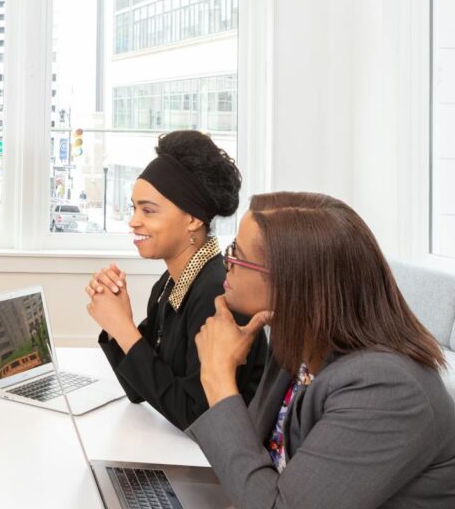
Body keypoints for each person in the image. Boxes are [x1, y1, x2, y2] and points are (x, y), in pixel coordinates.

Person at [192, 192, 455, 507]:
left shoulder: (388, 390)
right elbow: (251, 468)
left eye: (237, 254)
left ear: (291, 282)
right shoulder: (293, 343)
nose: (227, 264)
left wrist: (217, 377)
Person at [85, 131, 267, 430]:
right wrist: (115, 322)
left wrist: (123, 327)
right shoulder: (170, 284)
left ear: (193, 218)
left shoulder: (216, 294)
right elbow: (139, 389)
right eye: (134, 208)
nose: (133, 221)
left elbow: (197, 418)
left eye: (148, 210)